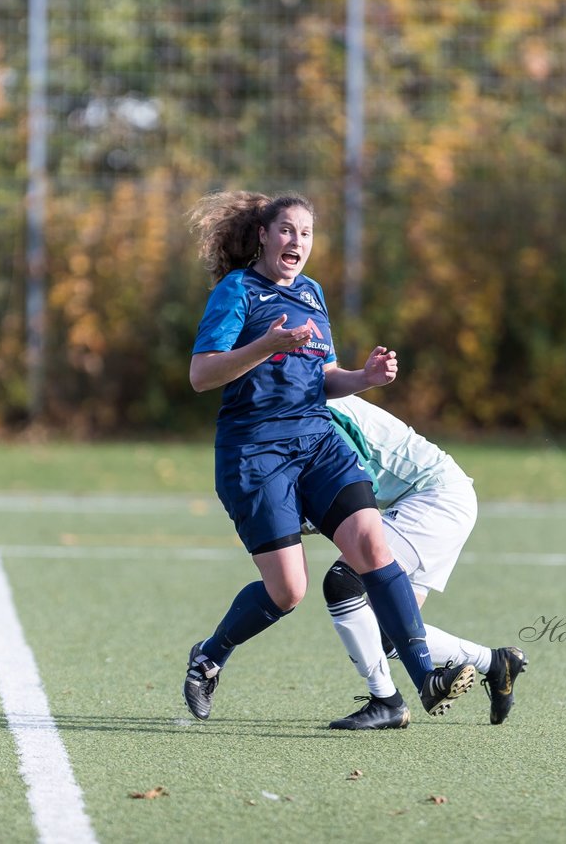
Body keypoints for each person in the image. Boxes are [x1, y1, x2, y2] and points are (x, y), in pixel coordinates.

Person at [183, 190, 474, 723]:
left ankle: (423, 674)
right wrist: (265, 346)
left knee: (369, 543)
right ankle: (209, 657)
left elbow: (323, 378)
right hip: (255, 451)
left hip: (317, 442)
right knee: (288, 590)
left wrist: (364, 378)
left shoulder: (313, 294)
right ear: (264, 237)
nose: (297, 241)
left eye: (306, 233)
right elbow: (203, 375)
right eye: (287, 230)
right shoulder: (237, 290)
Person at [317, 394, 528, 730]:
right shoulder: (317, 399)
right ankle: (496, 662)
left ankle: (386, 703)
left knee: (343, 582)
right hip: (442, 498)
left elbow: (353, 486)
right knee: (384, 630)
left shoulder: (321, 410)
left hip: (433, 499)